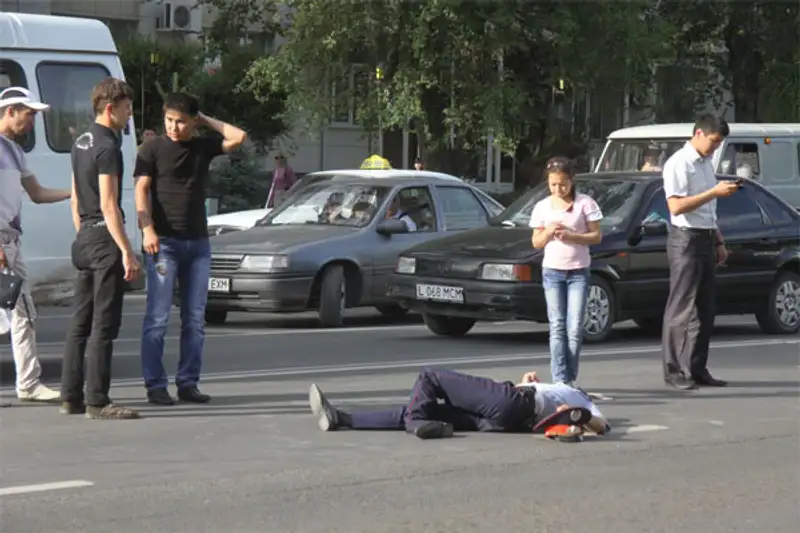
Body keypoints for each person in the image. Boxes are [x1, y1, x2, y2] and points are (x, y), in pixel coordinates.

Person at [134, 92, 247, 405]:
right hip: (163, 243)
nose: (173, 127)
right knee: (157, 318)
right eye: (169, 119)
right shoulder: (152, 147)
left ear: (193, 122)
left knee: (195, 319)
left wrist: (204, 118)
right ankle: (155, 385)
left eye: (181, 121)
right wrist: (147, 229)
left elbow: (238, 137)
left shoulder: (201, 147)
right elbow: (141, 189)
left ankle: (188, 383)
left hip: (198, 244)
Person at [59, 78, 142, 419]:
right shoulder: (109, 146)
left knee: (80, 322)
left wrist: (84, 235)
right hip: (105, 241)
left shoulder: (80, 142)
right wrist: (125, 249)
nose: (129, 115)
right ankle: (98, 400)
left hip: (85, 238)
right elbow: (109, 204)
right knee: (104, 325)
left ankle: (70, 397)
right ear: (110, 109)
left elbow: (76, 198)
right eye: (126, 109)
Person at [0, 87, 72, 404]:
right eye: (29, 114)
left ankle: (28, 383)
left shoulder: (14, 152)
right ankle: (28, 383)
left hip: (11, 244)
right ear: (10, 110)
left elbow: (38, 193)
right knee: (20, 312)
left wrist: (75, 192)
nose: (32, 122)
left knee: (23, 313)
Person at [661, 114, 740, 391]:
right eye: (713, 142)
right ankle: (673, 371)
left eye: (719, 144)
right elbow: (676, 207)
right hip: (685, 240)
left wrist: (719, 241)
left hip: (706, 237)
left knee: (705, 310)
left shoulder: (706, 164)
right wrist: (714, 193)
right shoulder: (678, 164)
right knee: (681, 308)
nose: (715, 148)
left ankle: (696, 368)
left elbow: (708, 211)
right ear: (698, 133)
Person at [308, 368, 611, 440]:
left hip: (513, 404)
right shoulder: (555, 390)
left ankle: (415, 422)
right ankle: (342, 419)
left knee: (430, 378)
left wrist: (576, 415)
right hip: (501, 421)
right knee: (421, 408)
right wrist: (527, 379)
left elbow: (602, 425)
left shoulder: (578, 397)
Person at [530, 157, 603, 387]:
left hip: (578, 272)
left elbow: (597, 236)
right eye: (553, 184)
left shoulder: (585, 203)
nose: (558, 189)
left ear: (571, 181)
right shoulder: (542, 206)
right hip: (552, 272)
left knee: (574, 328)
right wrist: (549, 231)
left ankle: (569, 379)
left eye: (562, 184)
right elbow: (536, 242)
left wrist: (573, 236)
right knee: (557, 326)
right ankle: (561, 380)